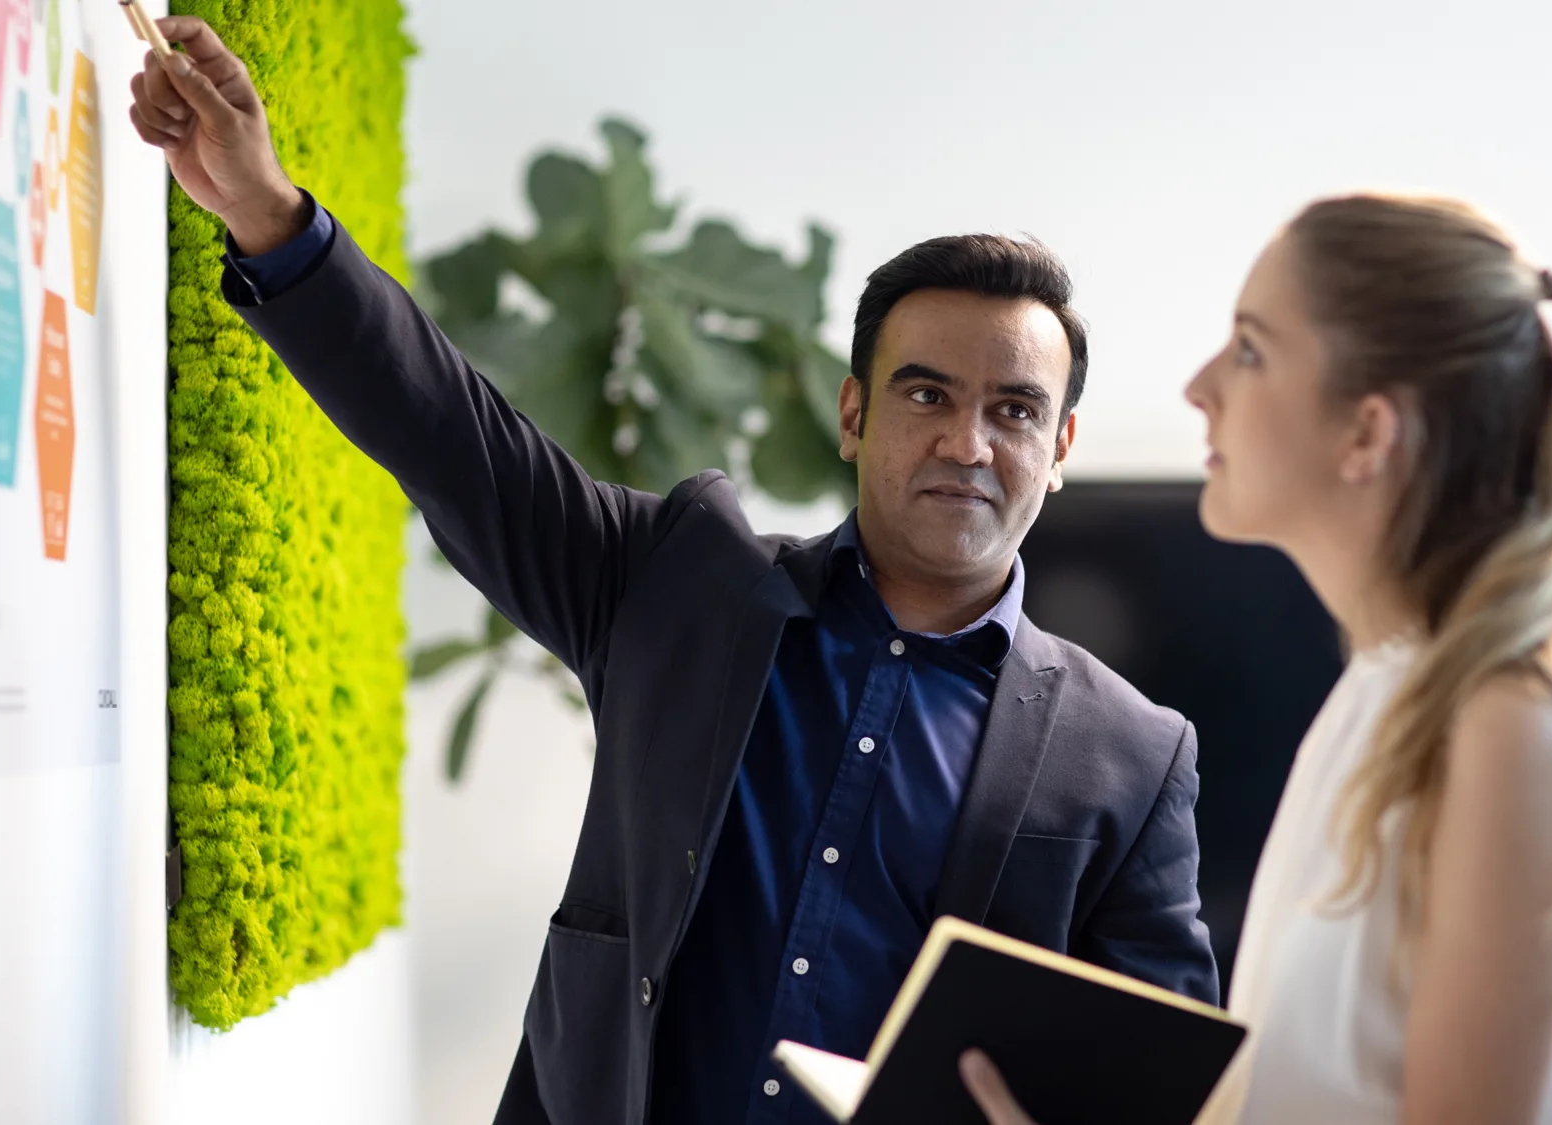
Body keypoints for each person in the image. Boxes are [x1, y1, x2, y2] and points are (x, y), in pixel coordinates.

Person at [126, 17, 1218, 1125]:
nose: (967, 443)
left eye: (1015, 410)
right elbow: (451, 436)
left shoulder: (1129, 756)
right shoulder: (680, 584)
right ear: (852, 413)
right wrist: (269, 215)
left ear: (1058, 448)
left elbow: (1162, 1084)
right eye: (926, 393)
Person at [962, 194, 1552, 1124]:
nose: (1199, 386)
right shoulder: (1391, 693)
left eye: (1249, 349)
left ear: (1367, 432)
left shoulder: (1509, 726)